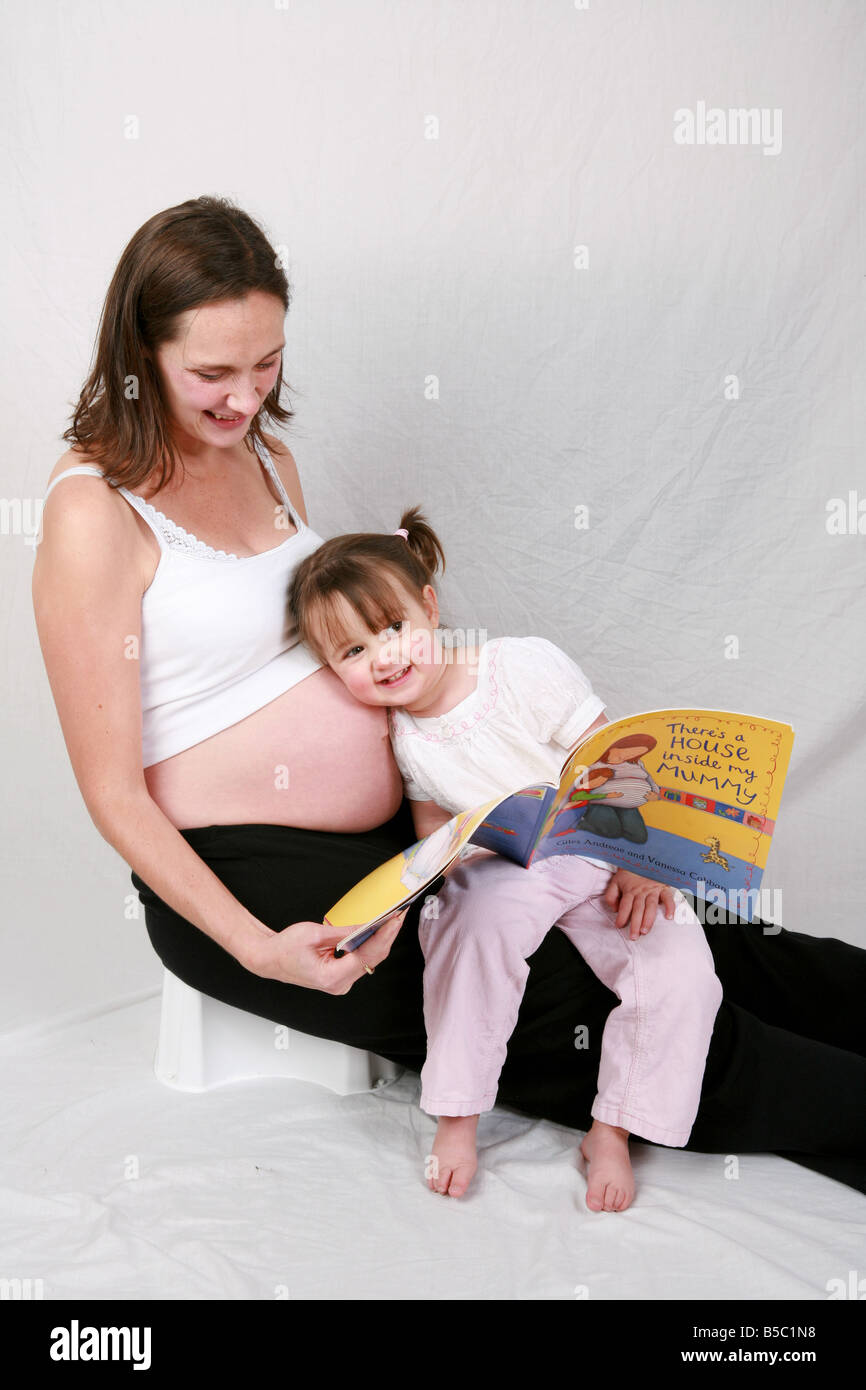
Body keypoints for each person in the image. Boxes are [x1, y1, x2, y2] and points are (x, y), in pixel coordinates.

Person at [31, 195, 866, 1208]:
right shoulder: (92, 514)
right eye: (211, 372)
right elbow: (113, 792)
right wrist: (255, 947)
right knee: (568, 1000)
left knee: (665, 922)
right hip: (242, 871)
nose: (244, 398)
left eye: (266, 364)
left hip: (418, 824)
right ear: (137, 350)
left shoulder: (267, 459)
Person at [287, 510, 725, 1208]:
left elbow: (617, 760)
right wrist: (431, 886)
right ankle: (459, 1114)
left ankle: (613, 1127)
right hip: (510, 868)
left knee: (683, 974)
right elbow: (439, 830)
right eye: (352, 653)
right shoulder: (406, 741)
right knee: (467, 927)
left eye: (393, 627)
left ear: (429, 608)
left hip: (601, 846)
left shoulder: (519, 667)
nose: (384, 657)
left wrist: (647, 861)